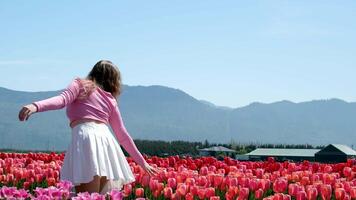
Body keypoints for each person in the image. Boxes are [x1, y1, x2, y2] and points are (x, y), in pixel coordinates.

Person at [18, 60, 160, 195]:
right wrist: (142, 163)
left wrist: (35, 106)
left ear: (93, 73)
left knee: (85, 196)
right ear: (114, 81)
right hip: (107, 143)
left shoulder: (80, 85)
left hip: (87, 139)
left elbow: (62, 100)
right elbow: (122, 135)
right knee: (97, 196)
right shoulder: (110, 99)